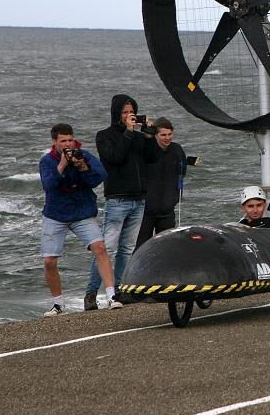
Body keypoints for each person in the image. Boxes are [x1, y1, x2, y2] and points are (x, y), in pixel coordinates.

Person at [38, 123, 122, 314]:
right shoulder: (47, 161)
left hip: (82, 212)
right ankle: (58, 304)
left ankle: (111, 296)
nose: (68, 145)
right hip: (56, 214)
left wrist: (83, 167)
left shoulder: (83, 155)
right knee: (49, 261)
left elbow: (99, 177)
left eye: (70, 140)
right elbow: (48, 185)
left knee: (100, 247)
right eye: (63, 141)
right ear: (54, 142)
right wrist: (62, 165)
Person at [85, 94, 159, 310]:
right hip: (117, 199)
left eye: (132, 113)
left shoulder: (137, 137)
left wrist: (149, 134)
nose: (129, 117)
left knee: (127, 248)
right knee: (106, 249)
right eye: (125, 113)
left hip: (139, 198)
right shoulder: (105, 136)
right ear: (117, 114)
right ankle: (91, 293)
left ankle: (120, 290)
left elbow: (153, 157)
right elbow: (115, 157)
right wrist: (128, 132)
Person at [135, 117, 188, 249]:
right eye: (163, 135)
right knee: (141, 247)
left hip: (167, 210)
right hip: (145, 211)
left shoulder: (177, 150)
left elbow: (182, 172)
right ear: (155, 135)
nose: (167, 138)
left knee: (167, 247)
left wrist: (174, 198)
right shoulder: (147, 151)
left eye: (170, 134)